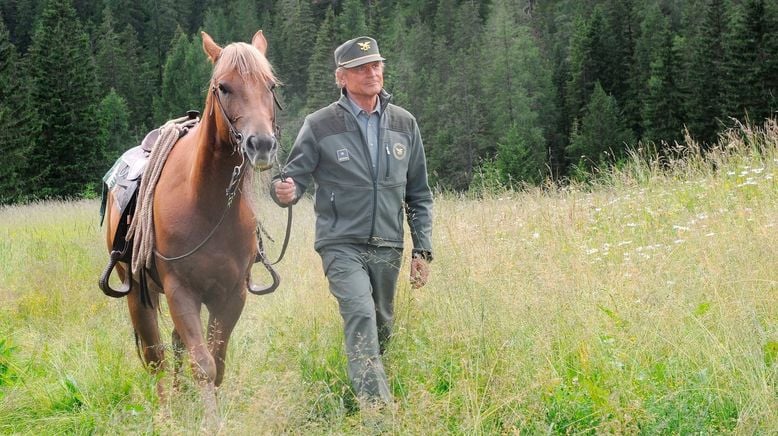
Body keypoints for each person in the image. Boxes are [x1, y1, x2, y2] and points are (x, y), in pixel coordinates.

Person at [271, 36, 433, 408]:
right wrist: (285, 192)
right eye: (361, 68)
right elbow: (292, 179)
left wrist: (422, 249)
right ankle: (378, 416)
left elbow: (419, 194)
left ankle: (366, 389)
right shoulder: (320, 124)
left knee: (382, 326)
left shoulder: (404, 123)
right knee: (360, 316)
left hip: (389, 244)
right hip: (341, 243)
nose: (371, 73)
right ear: (341, 77)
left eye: (376, 65)